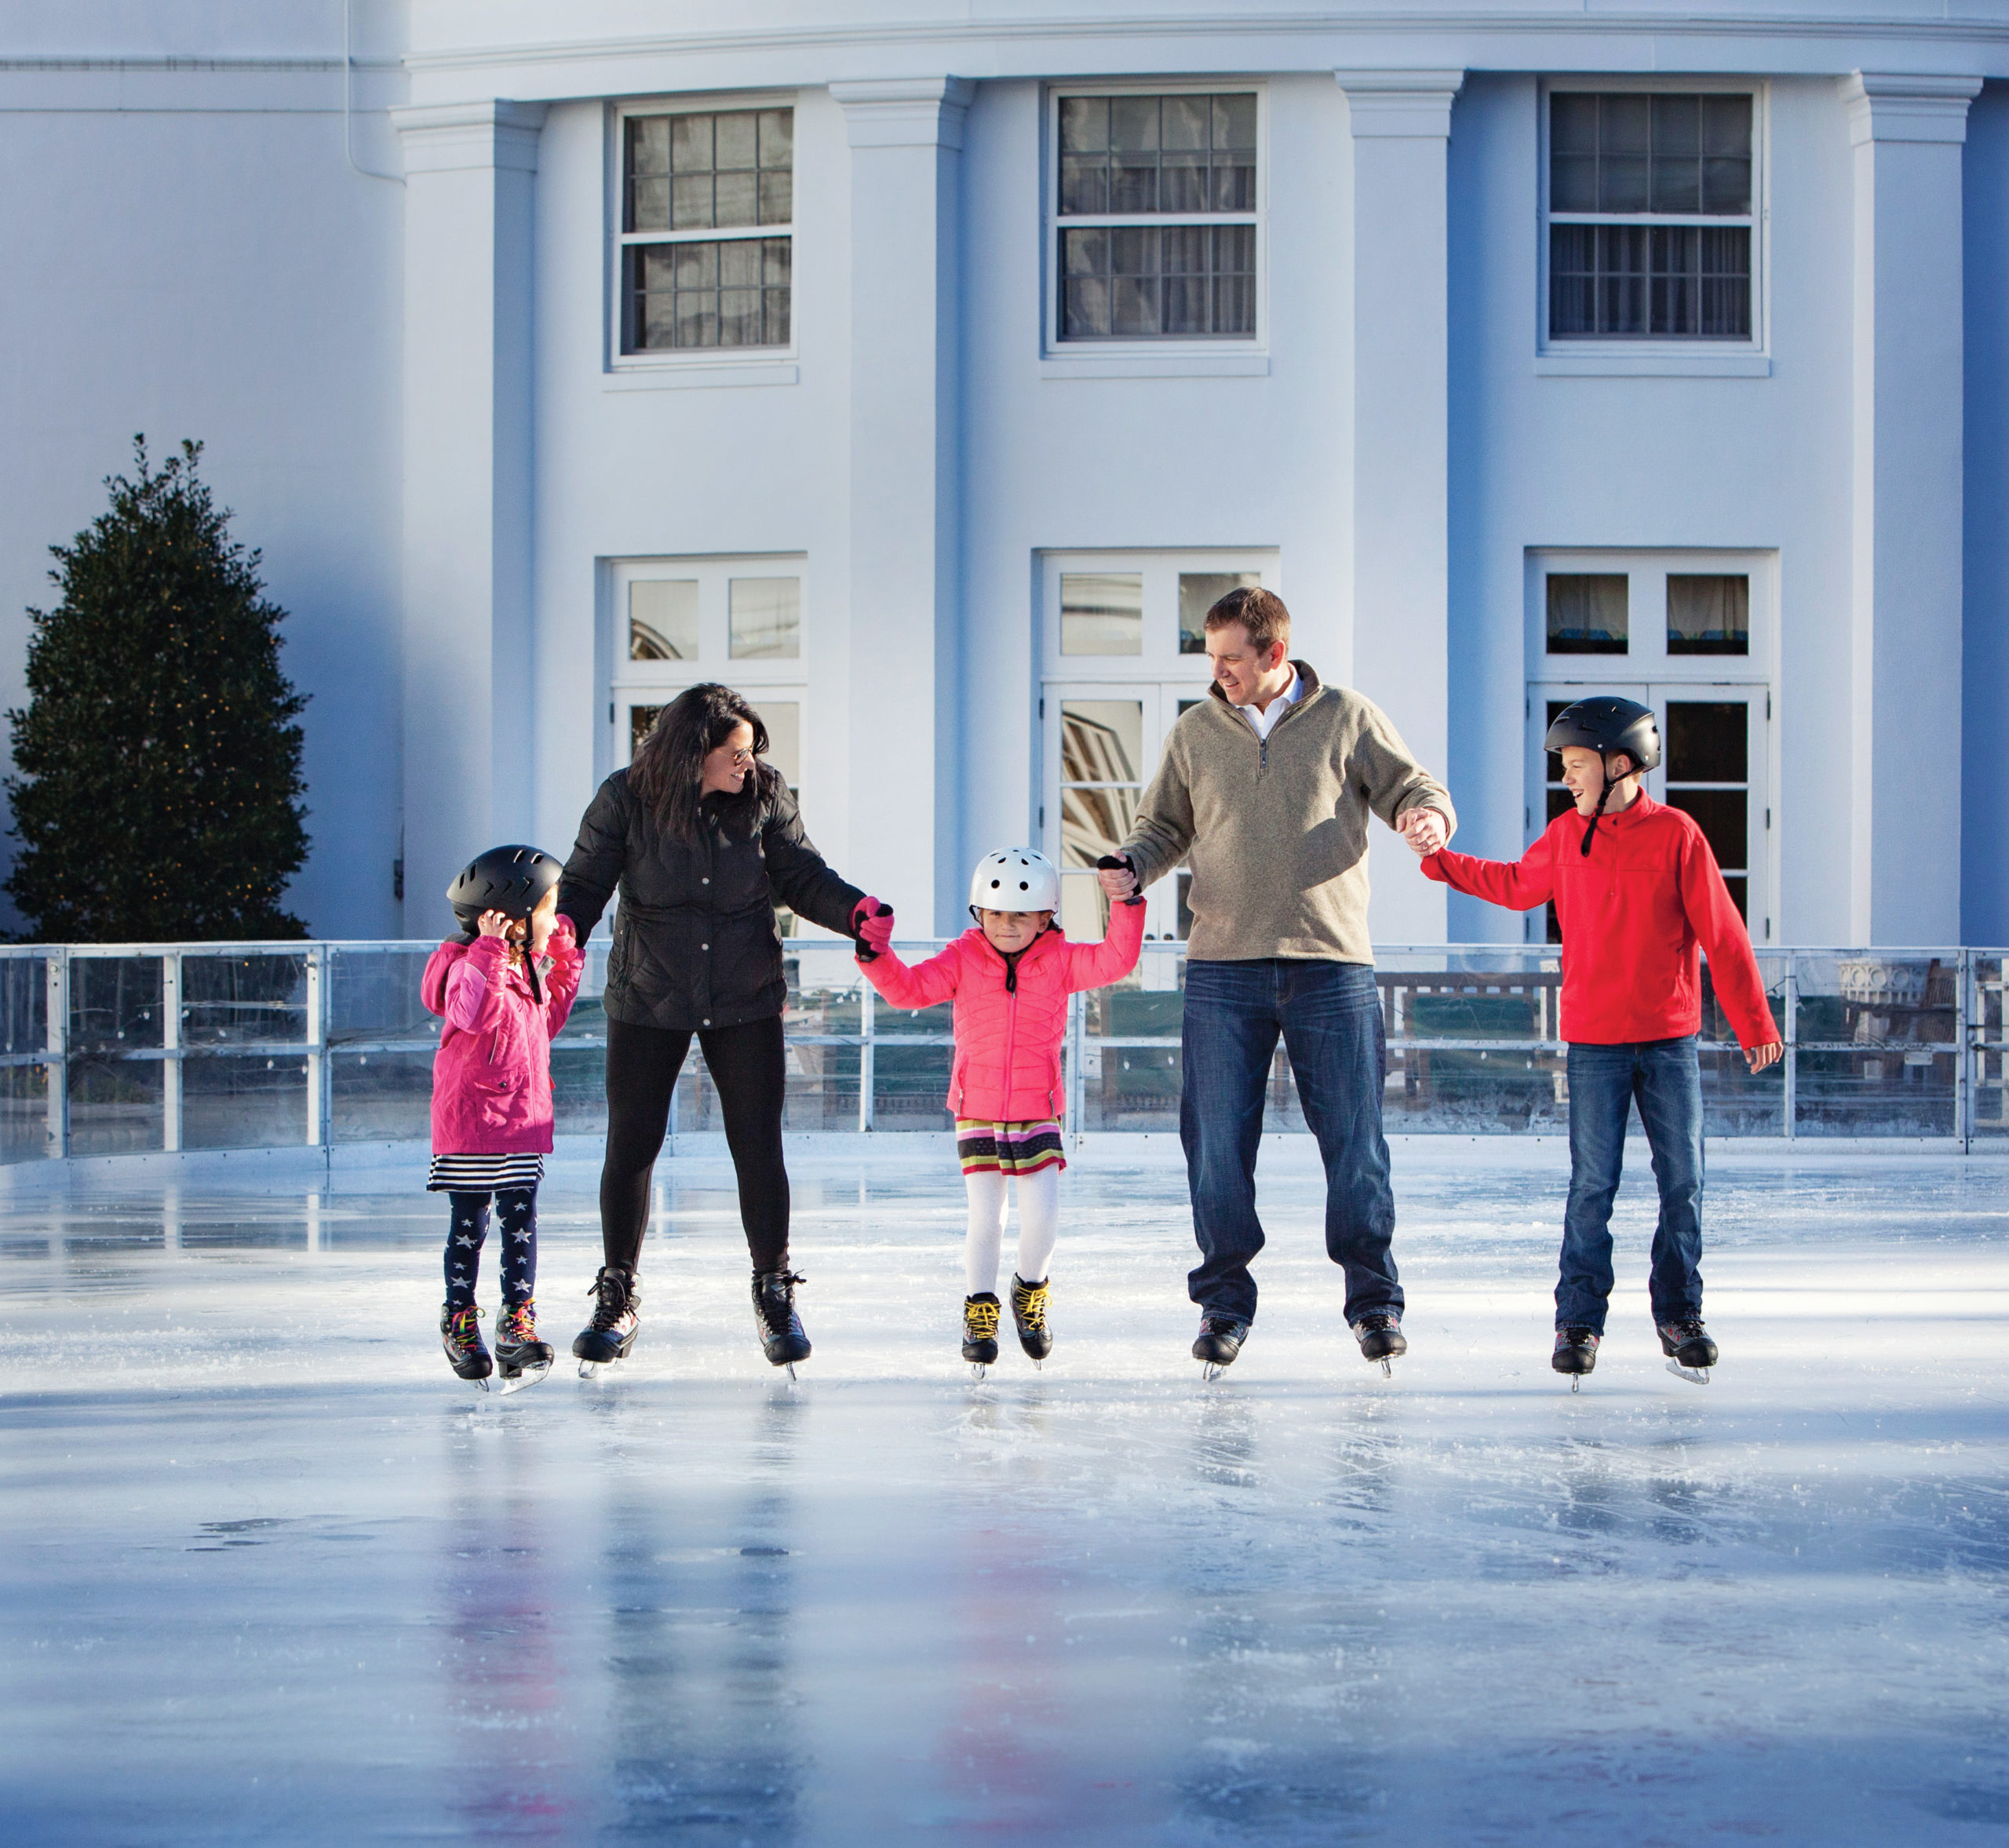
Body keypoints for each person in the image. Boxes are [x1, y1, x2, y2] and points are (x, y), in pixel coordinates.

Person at [1097, 586, 1455, 1376]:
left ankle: (1374, 1303)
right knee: (1216, 1146)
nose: (1216, 671)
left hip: (1330, 965)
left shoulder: (1346, 717)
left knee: (1354, 1145)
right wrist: (1132, 866)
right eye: (1211, 657)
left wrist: (1427, 819)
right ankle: (1223, 1305)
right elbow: (1162, 827)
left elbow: (1414, 789)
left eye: (1230, 657)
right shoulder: (1195, 732)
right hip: (1223, 968)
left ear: (1273, 655)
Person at [1417, 696, 1783, 1384]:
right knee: (1593, 1186)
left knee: (1684, 1183)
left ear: (1621, 765)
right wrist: (1442, 862)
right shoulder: (1564, 836)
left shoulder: (1678, 834)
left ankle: (1680, 1312)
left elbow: (1723, 932)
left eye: (1577, 765)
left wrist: (1754, 1020)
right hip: (1594, 1045)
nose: (1567, 779)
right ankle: (1578, 1319)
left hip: (1669, 1041)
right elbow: (1514, 885)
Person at [556, 683, 888, 1376]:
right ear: (692, 752)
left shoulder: (764, 794)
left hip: (745, 993)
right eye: (736, 751)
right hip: (649, 994)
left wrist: (856, 909)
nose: (748, 762)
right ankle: (617, 1292)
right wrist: (555, 935)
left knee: (757, 1144)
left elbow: (801, 874)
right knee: (633, 1142)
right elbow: (584, 885)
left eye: (752, 750)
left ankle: (774, 1291)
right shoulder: (626, 797)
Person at [852, 848, 1145, 1372]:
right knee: (987, 1217)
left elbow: (1116, 959)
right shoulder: (962, 958)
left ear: (1045, 916)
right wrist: (875, 953)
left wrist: (1125, 903)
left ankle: (1029, 1292)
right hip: (978, 1108)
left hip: (1038, 1108)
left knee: (1043, 1217)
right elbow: (910, 990)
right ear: (978, 914)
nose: (1007, 925)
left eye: (1021, 914)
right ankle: (979, 1310)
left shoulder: (1060, 960)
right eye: (997, 913)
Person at [423, 844, 582, 1391]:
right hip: (473, 1123)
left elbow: (545, 1022)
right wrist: (490, 951)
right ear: (511, 916)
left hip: (520, 1121)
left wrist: (565, 959)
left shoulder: (521, 965)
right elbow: (471, 1012)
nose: (556, 917)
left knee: (520, 1223)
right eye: (548, 908)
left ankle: (516, 1321)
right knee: (470, 1223)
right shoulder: (471, 963)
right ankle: (459, 1319)